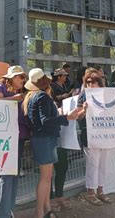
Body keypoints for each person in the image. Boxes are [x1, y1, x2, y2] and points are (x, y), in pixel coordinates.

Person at [23, 68, 79, 218]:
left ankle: (46, 209)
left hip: (41, 139)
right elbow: (46, 121)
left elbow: (42, 120)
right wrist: (66, 117)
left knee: (46, 178)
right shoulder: (42, 97)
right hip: (45, 139)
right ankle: (40, 213)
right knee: (45, 178)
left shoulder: (32, 96)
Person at [0, 66, 29, 218]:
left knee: (14, 174)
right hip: (4, 138)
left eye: (23, 77)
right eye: (19, 77)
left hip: (18, 136)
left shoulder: (19, 90)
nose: (22, 80)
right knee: (5, 175)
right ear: (11, 77)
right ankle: (3, 214)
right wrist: (14, 99)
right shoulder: (0, 86)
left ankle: (8, 210)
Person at [77, 69, 115, 206]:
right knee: (92, 165)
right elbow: (78, 116)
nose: (90, 84)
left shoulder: (108, 95)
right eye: (87, 82)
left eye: (93, 82)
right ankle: (90, 192)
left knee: (102, 165)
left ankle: (101, 190)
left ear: (99, 83)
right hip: (89, 134)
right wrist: (84, 110)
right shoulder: (83, 96)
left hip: (105, 134)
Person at [49, 68, 73, 211]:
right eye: (63, 75)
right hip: (48, 139)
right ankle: (51, 199)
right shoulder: (43, 97)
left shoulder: (64, 86)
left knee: (62, 165)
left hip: (58, 136)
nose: (65, 77)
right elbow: (46, 120)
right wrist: (62, 117)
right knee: (48, 172)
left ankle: (59, 195)